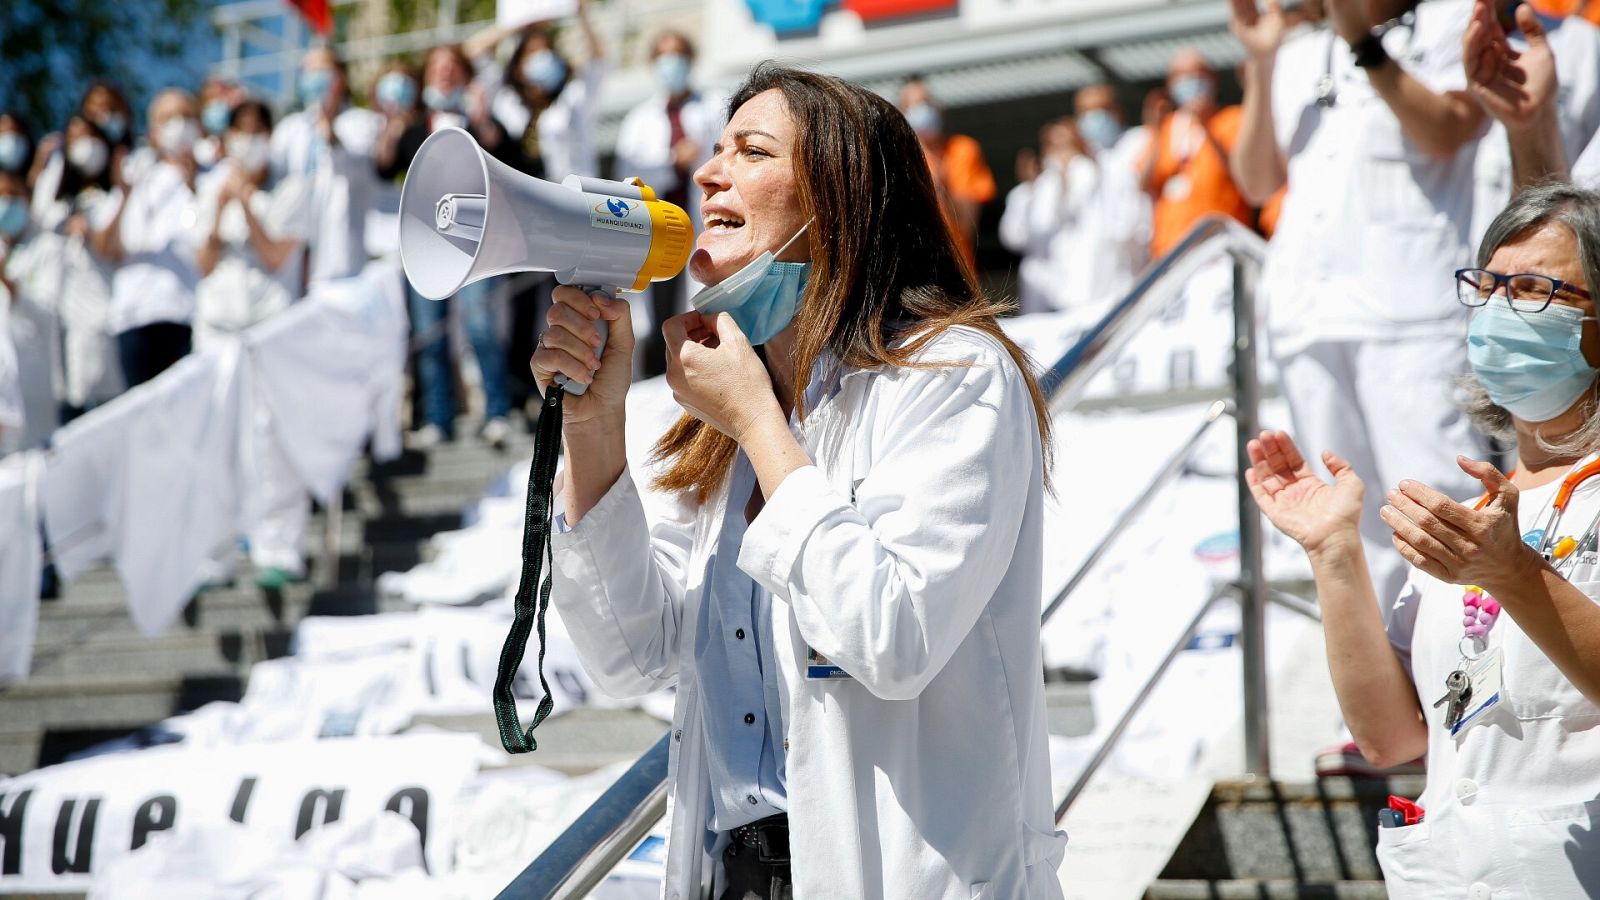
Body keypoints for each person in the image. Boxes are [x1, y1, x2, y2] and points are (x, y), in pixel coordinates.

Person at [535, 64, 1065, 899]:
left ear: (841, 200)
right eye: (714, 151)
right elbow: (630, 656)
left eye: (751, 151)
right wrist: (594, 424)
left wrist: (757, 423)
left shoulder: (954, 374)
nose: (708, 173)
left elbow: (892, 636)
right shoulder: (726, 419)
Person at [1247, 183, 1600, 898]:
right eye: (1490, 287)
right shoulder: (1472, 519)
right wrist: (1334, 553)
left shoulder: (1494, 536)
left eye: (1535, 290)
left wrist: (1513, 575)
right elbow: (1394, 738)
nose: (1502, 311)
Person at [1229, 0, 1491, 640]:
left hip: (1410, 313)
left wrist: (1362, 43)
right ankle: (1379, 710)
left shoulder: (1452, 19)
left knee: (1434, 501)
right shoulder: (1296, 52)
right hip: (1308, 316)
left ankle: (1462, 684)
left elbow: (1449, 129)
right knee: (1342, 519)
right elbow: (1256, 180)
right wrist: (1261, 63)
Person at [193, 99, 316, 589]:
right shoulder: (209, 189)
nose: (246, 139)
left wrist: (245, 200)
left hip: (271, 327)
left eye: (254, 129)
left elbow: (273, 254)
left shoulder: (291, 189)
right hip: (216, 326)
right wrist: (221, 203)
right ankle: (214, 554)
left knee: (273, 437)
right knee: (214, 436)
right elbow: (202, 261)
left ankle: (279, 548)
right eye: (237, 130)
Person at [376, 43, 521, 449]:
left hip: (475, 243)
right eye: (436, 68)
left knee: (480, 327)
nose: (444, 74)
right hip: (425, 246)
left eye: (452, 67)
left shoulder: (482, 123)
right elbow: (383, 166)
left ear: (465, 76)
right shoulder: (412, 127)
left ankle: (497, 412)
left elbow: (509, 156)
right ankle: (438, 418)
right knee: (429, 333)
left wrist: (480, 117)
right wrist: (391, 122)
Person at [615, 29, 726, 377]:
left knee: (706, 310)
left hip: (703, 223)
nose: (670, 63)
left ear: (690, 59)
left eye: (677, 54)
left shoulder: (716, 106)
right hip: (660, 230)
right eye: (663, 55)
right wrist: (669, 161)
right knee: (658, 313)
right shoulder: (638, 119)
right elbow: (628, 177)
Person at [91, 88, 202, 388]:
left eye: (186, 117)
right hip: (134, 317)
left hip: (189, 317)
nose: (179, 125)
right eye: (169, 118)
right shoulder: (133, 173)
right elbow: (105, 247)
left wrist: (196, 188)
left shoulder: (214, 175)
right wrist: (125, 197)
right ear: (153, 130)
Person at [26, 114, 123, 420]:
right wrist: (41, 163)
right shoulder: (55, 204)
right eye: (75, 137)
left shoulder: (110, 199)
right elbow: (31, 219)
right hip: (59, 323)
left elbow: (115, 248)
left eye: (90, 135)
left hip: (101, 319)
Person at [270, 46, 383, 286]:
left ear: (340, 78)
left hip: (340, 255)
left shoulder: (361, 122)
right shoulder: (290, 129)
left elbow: (358, 171)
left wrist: (330, 131)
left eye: (322, 70)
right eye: (308, 71)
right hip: (295, 254)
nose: (314, 77)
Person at [1140, 49, 1254, 258]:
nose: (1189, 82)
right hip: (1170, 250)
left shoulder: (1232, 119)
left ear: (1212, 78)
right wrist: (1155, 131)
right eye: (1180, 76)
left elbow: (1245, 177)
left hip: (1218, 248)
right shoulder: (1167, 127)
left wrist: (1205, 126)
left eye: (1196, 74)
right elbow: (1144, 185)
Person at [899, 76, 996, 272]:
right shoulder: (897, 157)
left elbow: (969, 226)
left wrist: (942, 188)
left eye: (926, 103)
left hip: (958, 268)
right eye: (914, 105)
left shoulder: (962, 150)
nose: (923, 110)